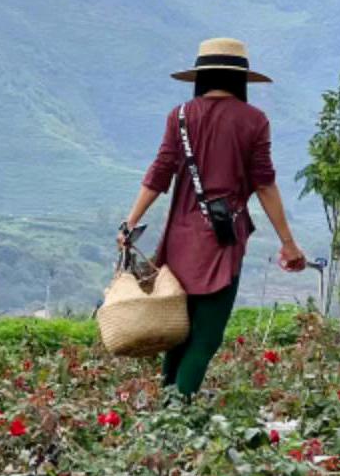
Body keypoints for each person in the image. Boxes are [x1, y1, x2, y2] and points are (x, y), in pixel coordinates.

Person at [120, 38, 307, 397]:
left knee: (177, 333)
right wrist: (287, 242)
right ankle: (177, 417)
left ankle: (166, 414)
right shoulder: (254, 121)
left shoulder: (179, 116)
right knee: (205, 339)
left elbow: (159, 174)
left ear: (201, 77)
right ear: (240, 79)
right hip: (221, 242)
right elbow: (264, 184)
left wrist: (130, 222)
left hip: (179, 240)